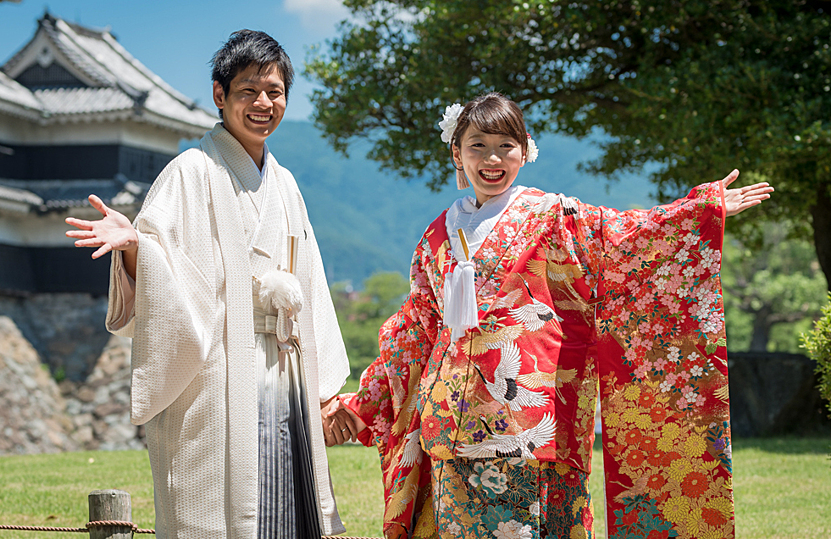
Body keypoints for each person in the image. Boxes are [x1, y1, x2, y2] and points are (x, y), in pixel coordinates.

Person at [328, 93, 773, 539]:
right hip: (448, 427)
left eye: (505, 145)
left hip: (532, 422)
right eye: (477, 145)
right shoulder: (437, 234)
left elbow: (623, 236)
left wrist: (699, 211)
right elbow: (415, 329)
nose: (492, 158)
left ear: (525, 150)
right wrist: (361, 404)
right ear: (456, 153)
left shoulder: (554, 216)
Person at [65, 30, 356, 539]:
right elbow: (165, 273)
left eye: (275, 91)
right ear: (220, 96)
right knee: (216, 504)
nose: (264, 103)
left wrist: (326, 388)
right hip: (219, 371)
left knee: (285, 501)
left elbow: (311, 282)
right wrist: (135, 246)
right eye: (248, 91)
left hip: (284, 369)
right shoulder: (188, 173)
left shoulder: (285, 184)